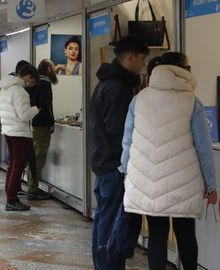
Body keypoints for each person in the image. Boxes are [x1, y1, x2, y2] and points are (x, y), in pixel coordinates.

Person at [120, 52, 217, 270]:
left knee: (157, 235)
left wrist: (126, 170)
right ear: (182, 71)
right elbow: (203, 147)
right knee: (186, 234)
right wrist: (211, 183)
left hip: (149, 180)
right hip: (184, 180)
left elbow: (128, 140)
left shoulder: (139, 99)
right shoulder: (192, 101)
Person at [90, 35, 149, 270]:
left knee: (104, 219)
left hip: (103, 163)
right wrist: (125, 165)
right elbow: (119, 133)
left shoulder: (107, 83)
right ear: (131, 57)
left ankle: (102, 264)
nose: (143, 65)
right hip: (114, 166)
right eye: (142, 59)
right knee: (113, 223)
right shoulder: (118, 88)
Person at [0, 64, 40, 211]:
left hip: (9, 131)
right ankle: (12, 199)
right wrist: (36, 109)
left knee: (12, 165)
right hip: (20, 133)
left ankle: (11, 195)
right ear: (27, 76)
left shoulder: (5, 88)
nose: (31, 83)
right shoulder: (20, 91)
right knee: (18, 166)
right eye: (32, 80)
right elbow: (24, 116)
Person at [26, 59, 57, 200]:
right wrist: (51, 121)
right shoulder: (44, 84)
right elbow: (46, 105)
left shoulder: (33, 85)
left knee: (33, 155)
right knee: (39, 156)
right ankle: (33, 188)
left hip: (32, 123)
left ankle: (31, 184)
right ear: (48, 70)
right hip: (41, 124)